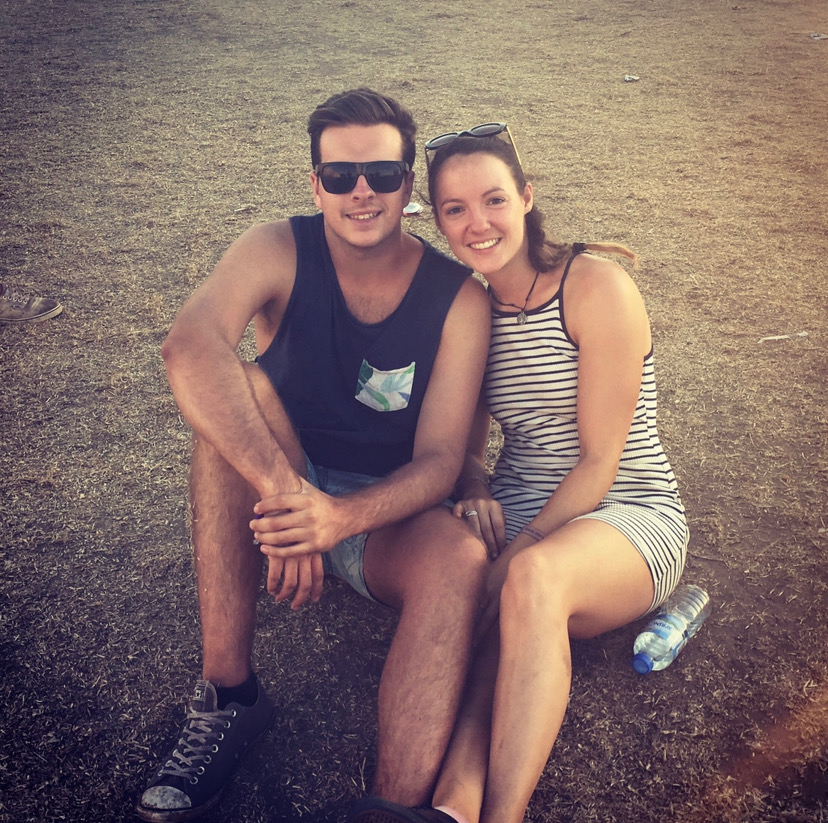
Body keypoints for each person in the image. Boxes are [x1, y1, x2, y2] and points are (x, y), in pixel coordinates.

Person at [135, 90, 492, 823]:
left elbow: (440, 461)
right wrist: (287, 493)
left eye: (382, 175)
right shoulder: (277, 247)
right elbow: (188, 345)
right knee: (230, 400)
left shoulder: (459, 299)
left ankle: (390, 809)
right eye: (339, 175)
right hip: (280, 474)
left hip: (382, 510)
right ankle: (230, 696)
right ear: (315, 184)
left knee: (460, 558)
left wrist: (336, 519)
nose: (361, 192)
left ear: (408, 185)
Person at [348, 125, 689, 823]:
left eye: (494, 200)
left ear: (527, 198)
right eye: (455, 209)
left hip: (626, 509)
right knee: (483, 638)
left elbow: (601, 460)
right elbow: (464, 448)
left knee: (529, 580)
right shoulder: (469, 308)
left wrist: (523, 546)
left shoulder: (594, 286)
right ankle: (453, 808)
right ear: (439, 222)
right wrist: (476, 488)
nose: (478, 223)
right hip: (520, 505)